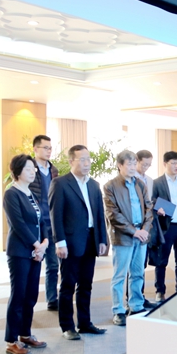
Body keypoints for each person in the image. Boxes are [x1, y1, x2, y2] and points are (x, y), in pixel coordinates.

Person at [49, 145, 109, 339]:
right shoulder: (60, 183)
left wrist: (102, 239)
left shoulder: (94, 185)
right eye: (82, 159)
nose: (87, 163)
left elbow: (99, 214)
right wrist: (60, 242)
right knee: (68, 285)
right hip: (70, 242)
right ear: (71, 161)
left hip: (91, 240)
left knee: (86, 285)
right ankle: (67, 326)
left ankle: (84, 323)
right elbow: (56, 215)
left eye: (88, 159)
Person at [3, 154, 49, 354]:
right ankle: (11, 340)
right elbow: (18, 224)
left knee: (30, 295)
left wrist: (45, 243)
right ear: (17, 171)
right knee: (18, 295)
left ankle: (25, 334)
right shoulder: (11, 194)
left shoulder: (31, 193)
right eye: (28, 169)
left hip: (36, 252)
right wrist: (37, 245)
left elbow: (42, 221)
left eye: (34, 169)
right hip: (20, 252)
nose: (33, 172)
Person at [104, 150, 153, 326]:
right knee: (120, 275)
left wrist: (145, 229)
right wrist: (134, 231)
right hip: (123, 237)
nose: (133, 167)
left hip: (142, 235)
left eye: (134, 163)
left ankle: (136, 305)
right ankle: (118, 310)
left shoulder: (140, 184)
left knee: (138, 273)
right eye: (129, 164)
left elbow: (149, 208)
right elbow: (113, 214)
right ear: (120, 165)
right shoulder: (110, 186)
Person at [151, 151, 177, 301]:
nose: (176, 166)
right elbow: (152, 201)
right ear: (165, 164)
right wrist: (158, 208)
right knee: (162, 261)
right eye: (173, 163)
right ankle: (160, 291)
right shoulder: (157, 182)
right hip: (166, 227)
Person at [29, 135, 59, 311]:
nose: (49, 151)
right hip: (36, 224)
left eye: (50, 148)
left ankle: (52, 298)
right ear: (35, 149)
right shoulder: (29, 169)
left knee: (53, 264)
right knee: (34, 263)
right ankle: (28, 301)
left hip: (52, 222)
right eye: (45, 148)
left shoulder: (54, 170)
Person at [134, 150, 156, 308]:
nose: (146, 167)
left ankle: (140, 296)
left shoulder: (150, 181)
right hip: (134, 227)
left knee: (142, 265)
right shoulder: (130, 179)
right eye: (144, 164)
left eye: (149, 165)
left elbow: (151, 202)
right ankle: (132, 298)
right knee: (133, 267)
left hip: (147, 226)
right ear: (136, 161)